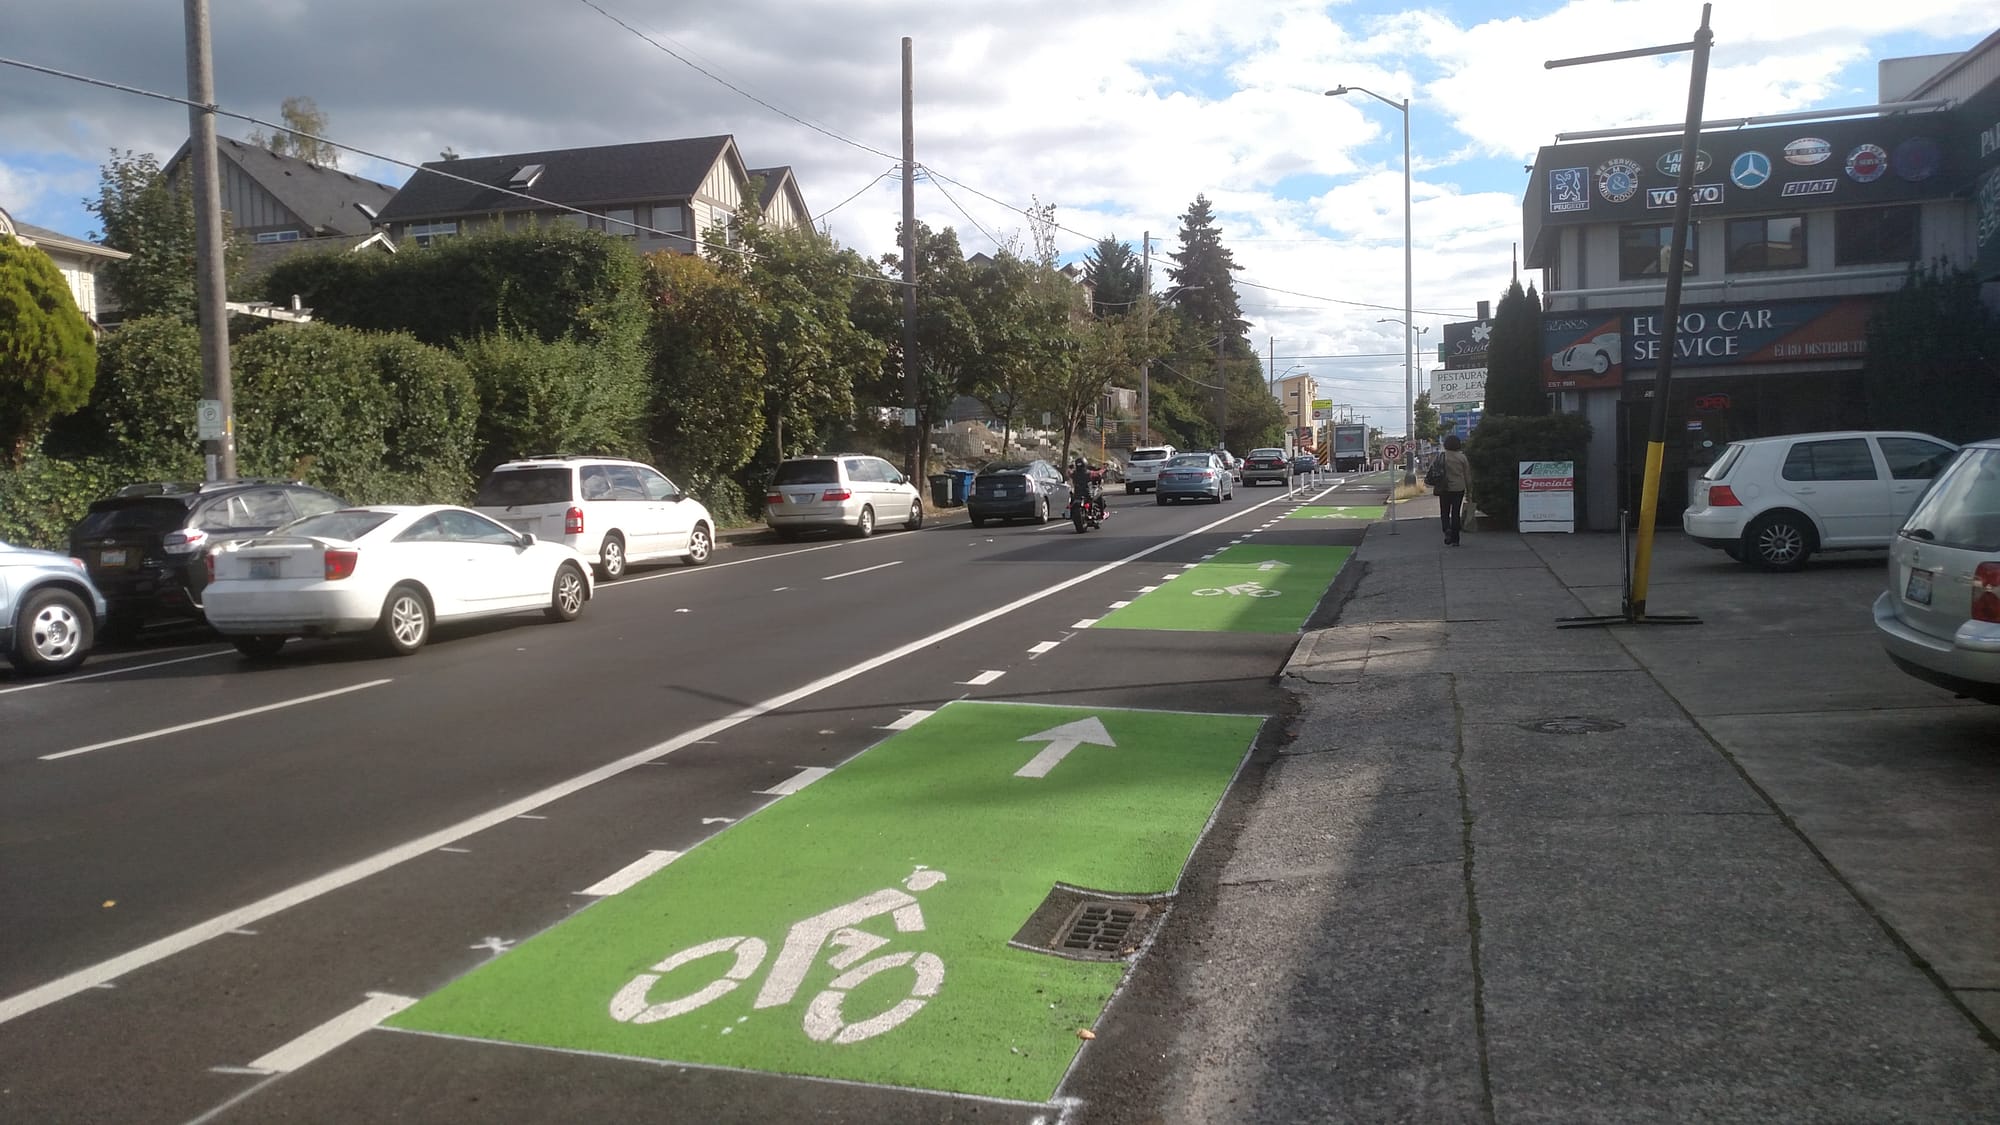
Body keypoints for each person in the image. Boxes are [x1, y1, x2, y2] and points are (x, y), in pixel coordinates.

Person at [1437, 434, 1472, 546]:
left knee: (1444, 512)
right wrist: (1469, 491)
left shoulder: (1442, 456)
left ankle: (1447, 529)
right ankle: (1455, 539)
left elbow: (1435, 471)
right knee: (1455, 513)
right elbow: (1467, 475)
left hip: (1444, 487)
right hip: (1459, 487)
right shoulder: (1462, 457)